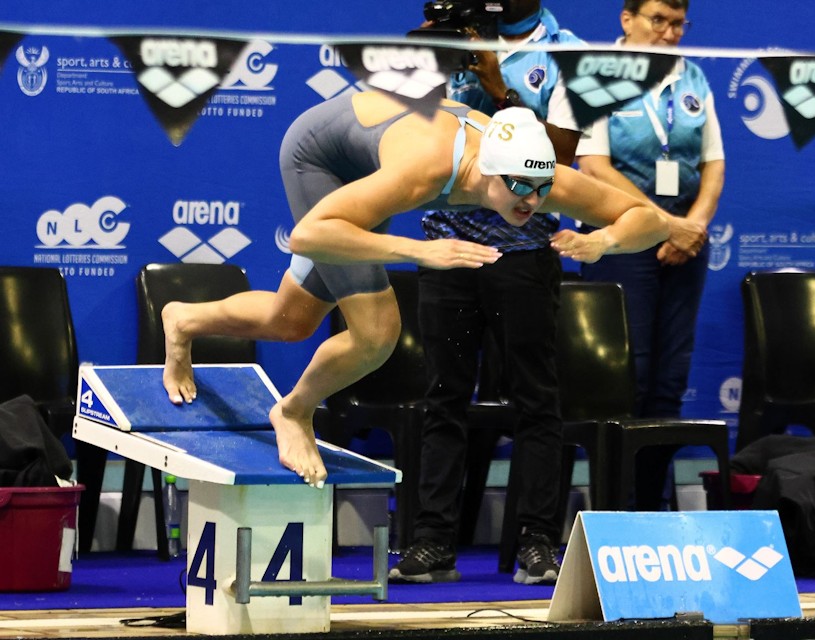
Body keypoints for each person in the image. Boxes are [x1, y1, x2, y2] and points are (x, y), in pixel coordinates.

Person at [160, 89, 704, 508]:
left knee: (292, 321)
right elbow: (307, 235)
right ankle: (294, 412)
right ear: (486, 170)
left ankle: (183, 319)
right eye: (517, 187)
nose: (530, 202)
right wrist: (420, 252)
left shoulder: (536, 176)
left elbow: (650, 221)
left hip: (374, 156)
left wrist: (603, 240)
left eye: (540, 190)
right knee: (376, 335)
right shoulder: (426, 172)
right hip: (321, 160)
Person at [393, 0, 585, 586]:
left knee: (536, 399)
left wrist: (498, 86)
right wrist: (423, 65)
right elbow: (399, 132)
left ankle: (536, 542)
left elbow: (563, 157)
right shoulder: (446, 45)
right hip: (448, 248)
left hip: (523, 254)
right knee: (442, 395)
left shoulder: (566, 50)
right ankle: (431, 543)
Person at [575, 0, 724, 510]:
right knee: (625, 375)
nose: (668, 33)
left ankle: (651, 504)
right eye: (657, 20)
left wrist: (693, 226)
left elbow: (714, 165)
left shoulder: (694, 78)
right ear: (627, 19)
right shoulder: (597, 74)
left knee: (669, 379)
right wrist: (664, 223)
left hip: (686, 241)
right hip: (619, 234)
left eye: (678, 23)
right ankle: (616, 504)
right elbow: (593, 166)